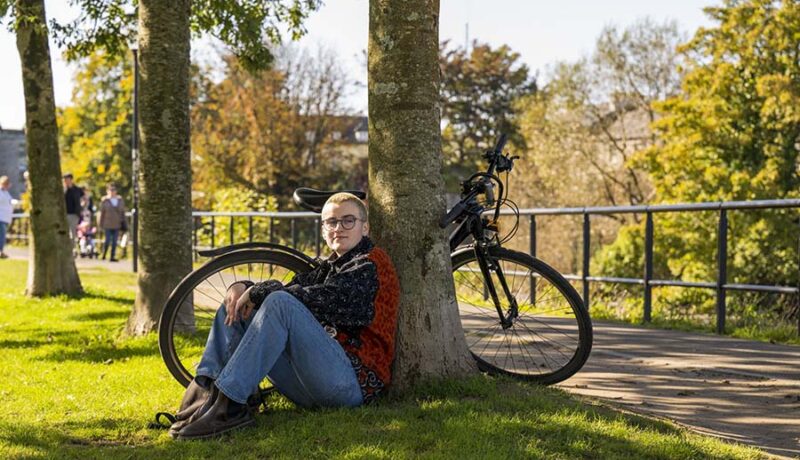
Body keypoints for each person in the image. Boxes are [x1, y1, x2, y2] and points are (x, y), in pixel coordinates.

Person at [170, 192, 400, 440]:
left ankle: (231, 406)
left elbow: (313, 298)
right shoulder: (331, 265)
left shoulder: (371, 264)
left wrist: (258, 291)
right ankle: (198, 403)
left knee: (280, 303)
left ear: (364, 227)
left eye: (348, 221)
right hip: (311, 386)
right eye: (331, 222)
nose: (339, 228)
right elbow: (291, 287)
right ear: (323, 230)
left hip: (350, 385)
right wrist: (243, 287)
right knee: (237, 305)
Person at [97, 184, 126, 262]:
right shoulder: (105, 201)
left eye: (114, 190)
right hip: (107, 224)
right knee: (107, 240)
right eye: (111, 190)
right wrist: (100, 224)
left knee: (114, 241)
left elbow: (122, 212)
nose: (112, 192)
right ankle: (104, 254)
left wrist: (124, 223)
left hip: (117, 224)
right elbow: (102, 213)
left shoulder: (120, 200)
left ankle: (112, 256)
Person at [0, 176, 19, 259]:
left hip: (5, 218)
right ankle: (1, 252)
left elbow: (9, 201)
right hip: (1, 218)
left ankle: (1, 252)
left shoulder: (6, 193)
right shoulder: (1, 192)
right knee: (1, 236)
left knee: (2, 236)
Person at [63, 173, 84, 244]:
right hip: (63, 214)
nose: (66, 181)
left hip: (74, 214)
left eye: (67, 179)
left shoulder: (77, 189)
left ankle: (72, 249)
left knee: (72, 233)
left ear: (71, 180)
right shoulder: (63, 190)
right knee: (64, 233)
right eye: (65, 180)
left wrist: (82, 207)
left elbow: (84, 198)